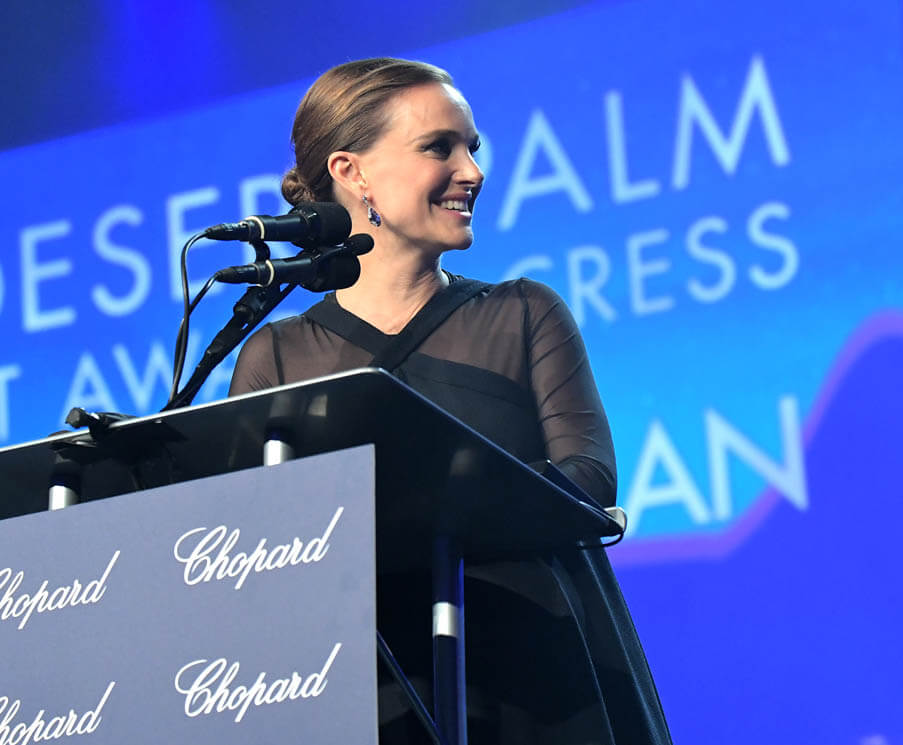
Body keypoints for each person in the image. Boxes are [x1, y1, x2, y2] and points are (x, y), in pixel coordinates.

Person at [229, 58, 670, 745]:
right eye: (439, 147)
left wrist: (414, 512)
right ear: (351, 172)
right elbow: (255, 549)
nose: (472, 170)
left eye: (472, 147)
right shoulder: (278, 356)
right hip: (367, 693)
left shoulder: (522, 312)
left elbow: (586, 477)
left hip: (536, 680)